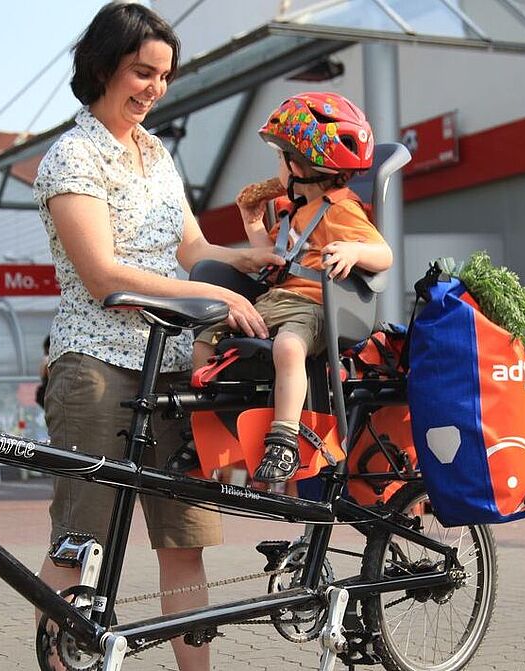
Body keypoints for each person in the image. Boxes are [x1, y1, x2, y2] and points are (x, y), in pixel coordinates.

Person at [32, 3, 283, 669]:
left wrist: (247, 259)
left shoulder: (155, 152)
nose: (155, 88)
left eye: (164, 76)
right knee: (79, 544)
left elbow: (191, 247)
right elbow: (104, 275)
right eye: (143, 72)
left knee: (184, 541)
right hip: (97, 367)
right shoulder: (73, 156)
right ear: (102, 66)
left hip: (174, 367)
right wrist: (216, 296)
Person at [186, 92, 392, 483]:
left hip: (312, 308)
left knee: (287, 348)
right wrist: (253, 224)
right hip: (273, 300)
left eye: (280, 159)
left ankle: (284, 439)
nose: (277, 168)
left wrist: (353, 251)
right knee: (206, 334)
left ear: (299, 165)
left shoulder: (340, 209)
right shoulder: (293, 210)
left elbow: (384, 254)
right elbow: (273, 263)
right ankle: (202, 421)